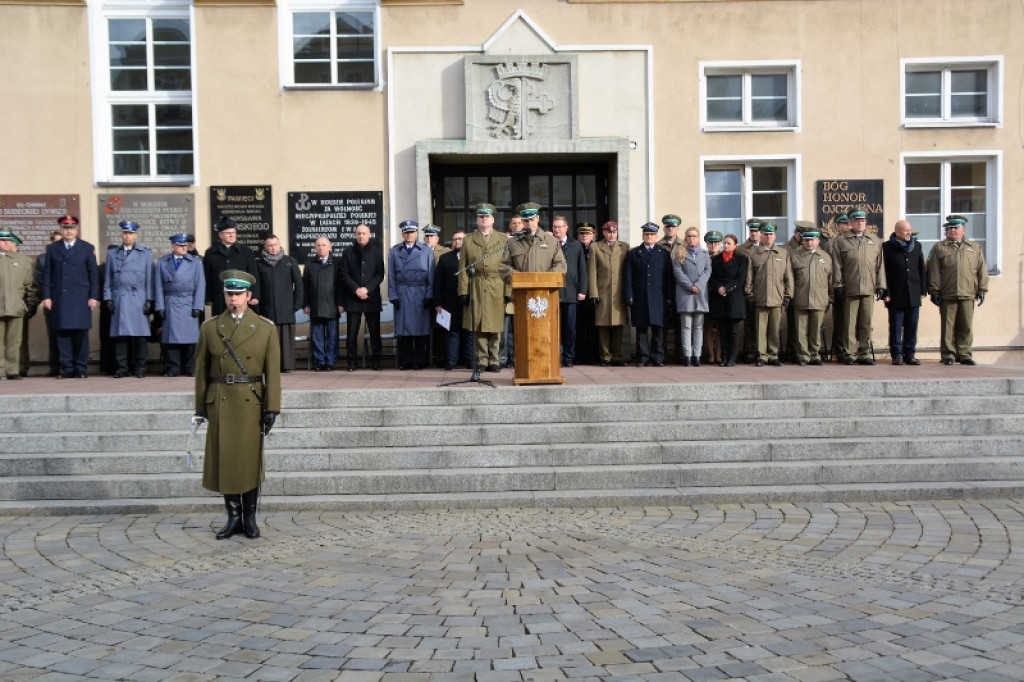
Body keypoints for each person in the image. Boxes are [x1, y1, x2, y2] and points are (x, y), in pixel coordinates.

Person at [194, 270, 281, 540]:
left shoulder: (265, 328)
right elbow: (201, 372)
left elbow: (273, 373)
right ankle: (233, 518)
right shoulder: (210, 328)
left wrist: (273, 407)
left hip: (250, 400)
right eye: (229, 294)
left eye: (238, 295)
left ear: (249, 297)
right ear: (224, 295)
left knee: (249, 461)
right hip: (221, 400)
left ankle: (250, 518)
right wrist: (200, 408)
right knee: (227, 460)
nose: (234, 300)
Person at [42, 215, 99, 379]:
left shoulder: (87, 248)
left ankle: (81, 368)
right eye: (65, 228)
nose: (69, 231)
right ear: (61, 230)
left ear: (77, 230)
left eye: (72, 228)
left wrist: (93, 296)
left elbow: (93, 274)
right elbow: (47, 275)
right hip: (60, 295)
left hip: (81, 296)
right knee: (63, 333)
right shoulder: (53, 248)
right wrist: (46, 296)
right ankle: (67, 367)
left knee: (81, 334)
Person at [927, 214, 989, 366]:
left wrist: (982, 289)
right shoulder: (939, 248)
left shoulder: (974, 248)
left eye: (956, 228)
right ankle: (948, 354)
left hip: (968, 292)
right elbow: (933, 270)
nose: (952, 231)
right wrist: (934, 290)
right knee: (948, 327)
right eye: (950, 228)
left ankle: (964, 354)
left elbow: (982, 270)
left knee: (966, 325)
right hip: (947, 293)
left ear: (963, 230)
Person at [831, 207, 886, 365]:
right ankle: (850, 353)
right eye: (857, 220)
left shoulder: (875, 241)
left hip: (868, 288)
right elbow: (837, 265)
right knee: (849, 323)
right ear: (851, 223)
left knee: (866, 323)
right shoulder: (841, 241)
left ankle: (864, 353)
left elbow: (880, 265)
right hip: (850, 288)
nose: (860, 223)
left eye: (862, 220)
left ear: (866, 222)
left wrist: (881, 285)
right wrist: (839, 285)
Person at [459, 204, 508, 373]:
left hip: (497, 285)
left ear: (493, 219)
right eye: (481, 217)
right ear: (477, 220)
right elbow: (463, 267)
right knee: (478, 325)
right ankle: (481, 359)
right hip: (477, 285)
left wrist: (508, 291)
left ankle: (495, 359)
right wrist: (463, 291)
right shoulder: (468, 240)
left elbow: (508, 266)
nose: (484, 219)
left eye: (487, 217)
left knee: (495, 325)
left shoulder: (503, 239)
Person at [104, 220, 156, 378]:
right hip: (120, 296)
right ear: (121, 234)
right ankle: (122, 368)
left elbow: (150, 279)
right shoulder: (113, 254)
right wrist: (108, 298)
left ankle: (140, 367)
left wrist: (149, 300)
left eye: (131, 233)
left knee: (139, 336)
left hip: (138, 297)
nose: (128, 236)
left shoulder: (145, 253)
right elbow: (108, 279)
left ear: (136, 235)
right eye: (125, 233)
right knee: (121, 335)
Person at [155, 233, 205, 377]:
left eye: (185, 245)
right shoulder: (163, 262)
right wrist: (160, 306)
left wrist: (198, 306)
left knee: (190, 339)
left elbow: (200, 285)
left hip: (188, 302)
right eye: (180, 245)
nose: (184, 248)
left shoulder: (195, 262)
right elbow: (158, 286)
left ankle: (190, 367)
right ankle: (173, 367)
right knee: (171, 339)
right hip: (170, 302)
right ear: (173, 246)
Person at [788, 224, 839, 366]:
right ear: (802, 240)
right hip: (800, 298)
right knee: (801, 330)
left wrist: (830, 298)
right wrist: (790, 296)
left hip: (819, 299)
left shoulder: (826, 257)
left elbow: (831, 279)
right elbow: (789, 278)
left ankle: (814, 355)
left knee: (815, 329)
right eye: (806, 240)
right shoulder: (794, 256)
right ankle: (802, 355)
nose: (809, 243)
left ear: (818, 241)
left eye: (812, 240)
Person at [624, 222, 674, 367]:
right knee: (642, 329)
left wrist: (669, 297)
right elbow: (628, 276)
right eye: (646, 234)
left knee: (658, 329)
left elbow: (668, 277)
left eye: (652, 234)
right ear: (643, 236)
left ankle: (657, 357)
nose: (649, 237)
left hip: (658, 297)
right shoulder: (634, 253)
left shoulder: (663, 254)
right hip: (640, 296)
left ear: (657, 236)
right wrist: (629, 295)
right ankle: (642, 358)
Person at [744, 222, 792, 367]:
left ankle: (773, 355)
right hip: (760, 297)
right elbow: (749, 278)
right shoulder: (754, 254)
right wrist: (749, 295)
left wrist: (788, 295)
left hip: (777, 298)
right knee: (760, 329)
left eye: (771, 234)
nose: (768, 236)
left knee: (774, 329)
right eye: (765, 234)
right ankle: (762, 356)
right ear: (761, 236)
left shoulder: (783, 253)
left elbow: (788, 277)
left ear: (774, 236)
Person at [388, 220, 434, 370]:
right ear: (402, 234)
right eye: (406, 232)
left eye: (412, 232)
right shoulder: (395, 251)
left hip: (420, 294)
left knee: (420, 331)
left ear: (416, 234)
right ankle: (405, 362)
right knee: (404, 332)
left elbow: (431, 276)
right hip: (403, 293)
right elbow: (391, 276)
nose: (409, 235)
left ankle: (419, 361)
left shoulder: (426, 251)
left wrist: (429, 295)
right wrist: (393, 296)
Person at [254, 234, 303, 373]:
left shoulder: (289, 261)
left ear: (280, 245)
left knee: (285, 340)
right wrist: (257, 306)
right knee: (268, 339)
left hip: (286, 308)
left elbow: (299, 285)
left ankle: (286, 365)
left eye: (275, 244)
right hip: (266, 308)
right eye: (270, 245)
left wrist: (296, 305)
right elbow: (256, 285)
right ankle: (270, 366)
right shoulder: (259, 263)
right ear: (265, 247)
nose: (273, 248)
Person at [339, 224, 385, 371]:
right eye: (358, 233)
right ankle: (352, 363)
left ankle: (376, 362)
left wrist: (367, 289)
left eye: (364, 233)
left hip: (371, 298)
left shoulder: (377, 252)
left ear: (369, 234)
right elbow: (344, 275)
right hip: (353, 298)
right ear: (355, 235)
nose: (361, 236)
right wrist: (356, 289)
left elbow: (380, 274)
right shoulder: (347, 252)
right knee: (351, 334)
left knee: (375, 333)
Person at [882, 219, 927, 365]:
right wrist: (885, 292)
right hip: (895, 293)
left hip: (913, 292)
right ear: (897, 232)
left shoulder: (917, 246)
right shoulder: (887, 247)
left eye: (909, 229)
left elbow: (922, 269)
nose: (909, 232)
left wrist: (923, 289)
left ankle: (910, 354)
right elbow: (884, 272)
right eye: (905, 230)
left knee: (912, 325)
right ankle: (896, 355)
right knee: (896, 326)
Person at [588, 221, 629, 366]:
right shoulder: (595, 248)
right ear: (603, 232)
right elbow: (592, 272)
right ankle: (605, 356)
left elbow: (627, 271)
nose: (612, 235)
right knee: (603, 325)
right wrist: (593, 293)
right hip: (603, 291)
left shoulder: (624, 247)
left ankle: (617, 355)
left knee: (618, 325)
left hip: (618, 292)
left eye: (614, 232)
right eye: (609, 232)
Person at [0, 230, 38, 380]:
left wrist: (32, 302)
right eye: (3, 240)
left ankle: (13, 369)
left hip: (16, 306)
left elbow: (30, 284)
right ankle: (1, 370)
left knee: (15, 341)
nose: (6, 243)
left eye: (9, 240)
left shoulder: (23, 261)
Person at [433, 230, 474, 370]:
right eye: (455, 239)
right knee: (452, 332)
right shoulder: (445, 258)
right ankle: (451, 362)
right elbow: (437, 282)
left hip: (469, 301)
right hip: (449, 302)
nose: (457, 241)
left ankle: (470, 362)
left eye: (461, 239)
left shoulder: (473, 258)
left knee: (469, 332)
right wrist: (438, 303)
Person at [204, 215, 259, 316]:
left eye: (233, 232)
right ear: (220, 235)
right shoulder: (211, 253)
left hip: (240, 297)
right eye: (228, 233)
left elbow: (253, 274)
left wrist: (254, 295)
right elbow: (207, 277)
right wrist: (208, 298)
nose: (232, 235)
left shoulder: (246, 252)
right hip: (219, 298)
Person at [551, 215, 587, 367]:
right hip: (553, 292)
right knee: (554, 328)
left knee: (570, 328)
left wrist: (582, 290)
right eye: (554, 227)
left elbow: (582, 269)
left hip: (571, 293)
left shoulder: (576, 245)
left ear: (566, 228)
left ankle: (569, 357)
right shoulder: (549, 244)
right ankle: (556, 356)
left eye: (560, 227)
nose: (557, 230)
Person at [673, 226, 712, 366]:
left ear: (698, 237)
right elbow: (678, 272)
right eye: (689, 236)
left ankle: (697, 355)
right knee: (686, 326)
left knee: (698, 326)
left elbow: (708, 270)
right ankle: (687, 355)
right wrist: (690, 286)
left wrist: (699, 285)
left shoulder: (704, 253)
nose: (692, 238)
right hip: (685, 293)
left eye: (694, 236)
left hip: (700, 294)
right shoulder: (679, 253)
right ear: (685, 238)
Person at [303, 236, 342, 372]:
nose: (321, 247)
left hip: (332, 305)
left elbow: (340, 285)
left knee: (332, 336)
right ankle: (319, 362)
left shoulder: (337, 263)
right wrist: (306, 304)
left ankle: (330, 362)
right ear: (315, 248)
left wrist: (341, 303)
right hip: (316, 305)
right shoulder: (310, 264)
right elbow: (305, 286)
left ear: (330, 247)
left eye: (324, 245)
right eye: (318, 245)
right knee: (317, 336)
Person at [708, 233, 747, 366]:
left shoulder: (741, 259)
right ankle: (724, 357)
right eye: (724, 243)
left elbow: (740, 279)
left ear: (735, 245)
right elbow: (711, 277)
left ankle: (732, 357)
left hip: (734, 299)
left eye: (728, 243)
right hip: (719, 299)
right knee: (722, 331)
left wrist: (727, 288)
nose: (725, 245)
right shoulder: (715, 259)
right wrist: (718, 287)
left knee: (733, 331)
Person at [34, 231, 63, 377]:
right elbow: (39, 280)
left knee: (67, 335)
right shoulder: (42, 259)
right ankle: (54, 366)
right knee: (53, 337)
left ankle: (68, 365)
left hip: (66, 303)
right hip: (51, 302)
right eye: (55, 242)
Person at [824, 213, 852, 362]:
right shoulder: (831, 244)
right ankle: (840, 350)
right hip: (837, 286)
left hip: (853, 287)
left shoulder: (855, 241)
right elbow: (830, 269)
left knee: (853, 322)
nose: (847, 226)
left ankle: (855, 350)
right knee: (841, 320)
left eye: (849, 223)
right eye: (844, 224)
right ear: (838, 226)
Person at [657, 214, 684, 364]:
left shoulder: (684, 245)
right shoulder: (658, 245)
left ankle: (680, 354)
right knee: (663, 324)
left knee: (680, 323)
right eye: (668, 226)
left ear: (678, 228)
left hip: (680, 289)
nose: (670, 229)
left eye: (673, 226)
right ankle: (663, 354)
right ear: (664, 228)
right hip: (662, 290)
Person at [499, 214, 524, 368]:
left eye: (519, 223)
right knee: (505, 332)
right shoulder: (505, 242)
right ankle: (503, 358)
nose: (516, 226)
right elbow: (502, 267)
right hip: (507, 293)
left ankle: (517, 358)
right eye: (513, 223)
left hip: (522, 293)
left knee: (519, 331)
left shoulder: (527, 243)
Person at [737, 218, 762, 363]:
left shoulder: (767, 247)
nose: (754, 234)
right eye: (752, 231)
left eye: (756, 231)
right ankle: (750, 351)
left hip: (763, 290)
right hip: (746, 291)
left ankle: (762, 351)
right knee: (750, 323)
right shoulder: (741, 249)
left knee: (763, 324)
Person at [574, 222, 599, 365]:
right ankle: (579, 355)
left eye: (588, 233)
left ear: (593, 235)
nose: (585, 236)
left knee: (592, 327)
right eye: (582, 233)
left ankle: (592, 355)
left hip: (592, 293)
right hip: (577, 293)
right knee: (578, 327)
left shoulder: (596, 248)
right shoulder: (575, 248)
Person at [702, 231, 724, 365]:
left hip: (719, 294)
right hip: (706, 294)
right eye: (711, 243)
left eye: (716, 242)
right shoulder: (702, 256)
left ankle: (719, 354)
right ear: (707, 244)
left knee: (720, 326)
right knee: (708, 326)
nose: (713, 245)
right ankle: (711, 354)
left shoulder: (723, 257)